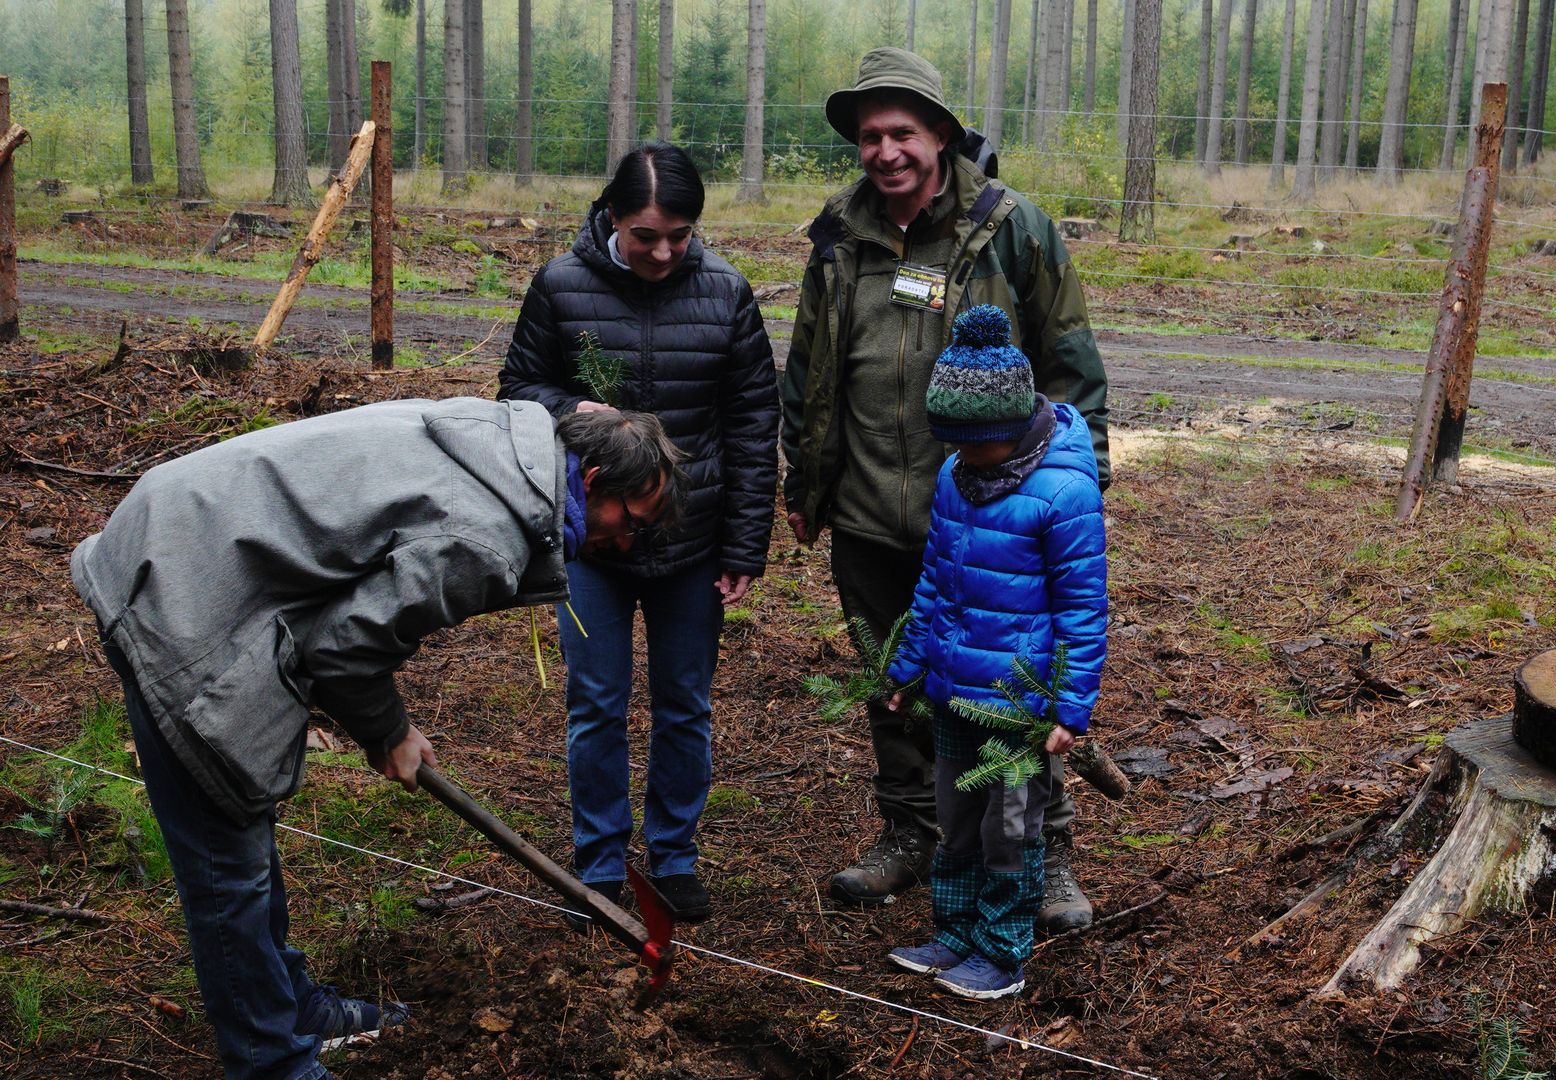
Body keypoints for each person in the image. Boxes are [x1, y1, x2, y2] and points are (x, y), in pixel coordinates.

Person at [72, 400, 683, 1080]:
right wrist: (388, 732)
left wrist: (381, 725)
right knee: (227, 860)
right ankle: (271, 1062)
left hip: (197, 530)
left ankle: (291, 1006)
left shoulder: (509, 439)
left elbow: (344, 612)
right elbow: (344, 644)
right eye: (630, 521)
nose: (626, 543)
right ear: (592, 479)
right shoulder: (487, 537)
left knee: (242, 819)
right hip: (184, 584)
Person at [778, 46, 1110, 931]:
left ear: (941, 137)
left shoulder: (1013, 227)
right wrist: (804, 478)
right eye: (870, 135)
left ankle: (1045, 856)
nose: (885, 151)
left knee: (1010, 691)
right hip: (867, 511)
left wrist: (1076, 485)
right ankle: (912, 831)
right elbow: (810, 364)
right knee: (891, 681)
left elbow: (1072, 368)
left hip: (991, 516)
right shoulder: (839, 235)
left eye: (904, 133)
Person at [500, 141, 778, 924]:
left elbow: (756, 424)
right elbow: (518, 387)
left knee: (684, 701)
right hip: (591, 539)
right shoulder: (559, 285)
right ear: (611, 217)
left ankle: (674, 855)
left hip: (692, 541)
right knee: (596, 701)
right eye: (644, 235)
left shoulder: (727, 293)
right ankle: (598, 863)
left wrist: (744, 542)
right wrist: (568, 410)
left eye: (679, 236)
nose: (662, 252)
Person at [883, 305, 1108, 1000]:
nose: (960, 455)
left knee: (1010, 828)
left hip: (1019, 703)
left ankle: (1003, 951)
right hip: (955, 685)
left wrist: (1071, 705)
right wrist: (909, 663)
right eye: (952, 443)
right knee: (956, 819)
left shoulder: (1065, 491)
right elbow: (936, 580)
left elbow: (1083, 609)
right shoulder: (957, 476)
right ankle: (953, 935)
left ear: (1011, 429)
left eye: (974, 444)